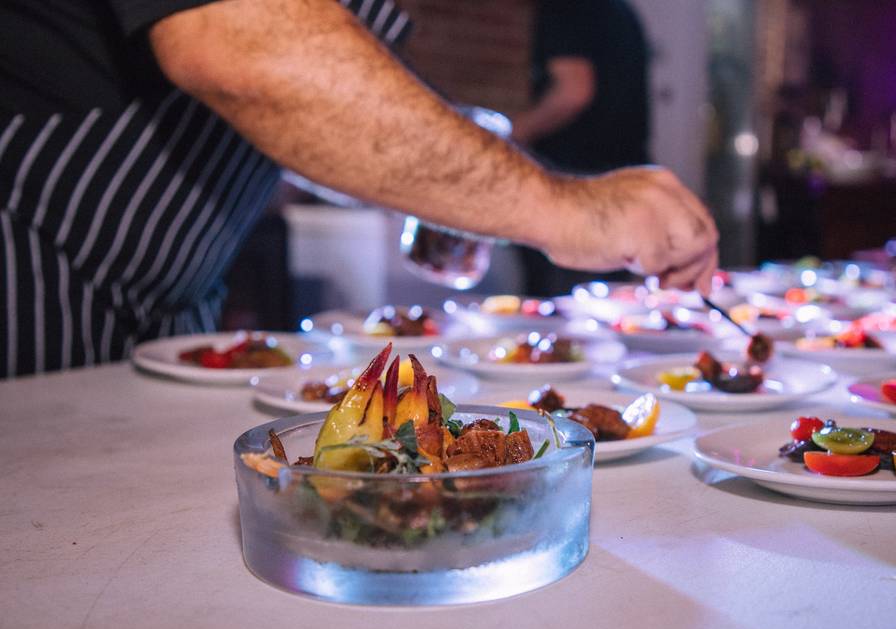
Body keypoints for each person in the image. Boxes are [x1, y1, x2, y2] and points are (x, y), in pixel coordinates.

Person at [0, 0, 717, 378]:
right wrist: (560, 205)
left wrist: (444, 175)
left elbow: (321, 100)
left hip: (166, 318)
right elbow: (246, 50)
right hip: (35, 291)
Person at [511, 0, 656, 296]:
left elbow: (574, 92)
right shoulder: (621, 12)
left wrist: (512, 134)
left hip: (573, 188)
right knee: (603, 311)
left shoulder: (566, 8)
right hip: (621, 184)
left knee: (556, 316)